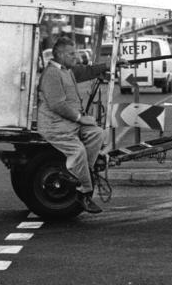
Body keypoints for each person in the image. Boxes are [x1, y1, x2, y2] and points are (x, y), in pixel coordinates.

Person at [36, 36, 111, 214]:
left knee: (97, 134)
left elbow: (85, 71)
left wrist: (107, 66)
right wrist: (80, 118)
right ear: (60, 55)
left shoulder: (66, 70)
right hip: (55, 126)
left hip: (68, 123)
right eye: (71, 54)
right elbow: (57, 105)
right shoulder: (52, 74)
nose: (75, 57)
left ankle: (85, 173)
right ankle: (84, 192)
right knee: (78, 152)